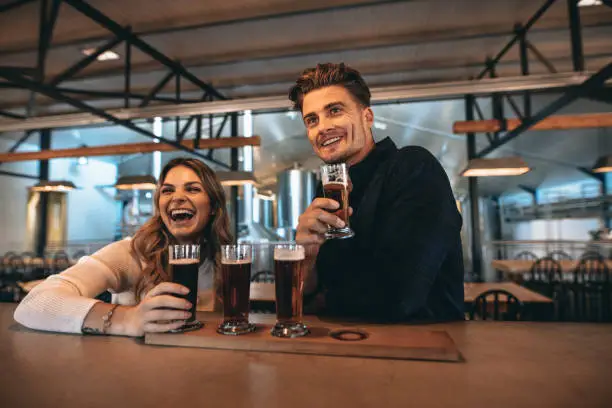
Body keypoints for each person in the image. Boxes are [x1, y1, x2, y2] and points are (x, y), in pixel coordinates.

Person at [291, 63, 464, 322]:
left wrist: (325, 299)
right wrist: (307, 255)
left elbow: (399, 297)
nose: (322, 127)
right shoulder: (327, 191)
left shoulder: (413, 167)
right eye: (312, 120)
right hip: (346, 346)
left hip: (428, 350)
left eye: (335, 110)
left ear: (367, 117)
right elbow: (305, 296)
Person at [14, 158, 232, 336]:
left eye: (192, 189)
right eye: (167, 191)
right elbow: (35, 302)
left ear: (213, 206)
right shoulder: (132, 253)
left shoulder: (223, 260)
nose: (177, 198)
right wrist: (128, 319)